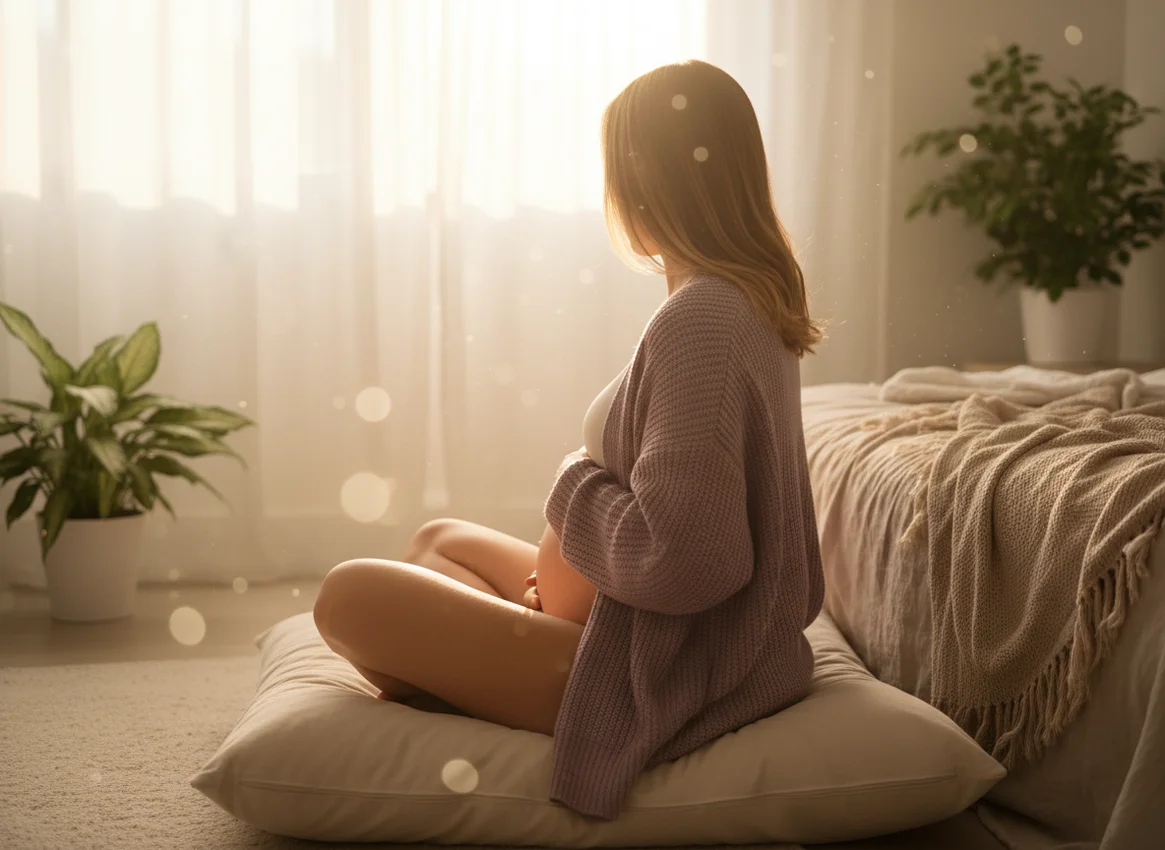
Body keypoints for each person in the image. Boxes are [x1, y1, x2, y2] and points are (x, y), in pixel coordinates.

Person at [313, 59, 825, 821]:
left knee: (348, 595)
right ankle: (499, 655)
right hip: (619, 617)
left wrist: (574, 484)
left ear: (644, 180)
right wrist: (570, 579)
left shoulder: (702, 321)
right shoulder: (739, 298)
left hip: (647, 662)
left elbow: (690, 562)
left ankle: (492, 669)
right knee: (437, 539)